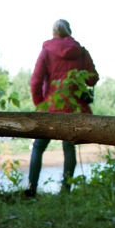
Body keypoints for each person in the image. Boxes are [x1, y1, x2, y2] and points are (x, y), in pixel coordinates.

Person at [24, 19, 99, 197]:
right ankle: (65, 191)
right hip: (74, 108)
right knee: (69, 148)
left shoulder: (46, 52)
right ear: (69, 31)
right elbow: (93, 78)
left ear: (54, 32)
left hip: (51, 106)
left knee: (38, 146)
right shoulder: (81, 52)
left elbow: (35, 81)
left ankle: (31, 188)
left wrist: (40, 103)